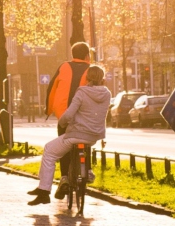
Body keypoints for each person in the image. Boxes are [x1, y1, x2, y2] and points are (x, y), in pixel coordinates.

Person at [28, 65, 112, 205]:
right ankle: (87, 171)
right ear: (102, 79)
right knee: (82, 147)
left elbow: (69, 114)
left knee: (49, 151)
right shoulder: (107, 94)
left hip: (76, 134)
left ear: (87, 78)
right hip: (94, 136)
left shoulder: (82, 92)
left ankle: (44, 191)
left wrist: (62, 123)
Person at [44, 42, 92, 120]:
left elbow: (51, 89)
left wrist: (48, 111)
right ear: (87, 56)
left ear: (72, 55)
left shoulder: (64, 67)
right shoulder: (91, 70)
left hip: (62, 113)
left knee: (63, 130)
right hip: (82, 115)